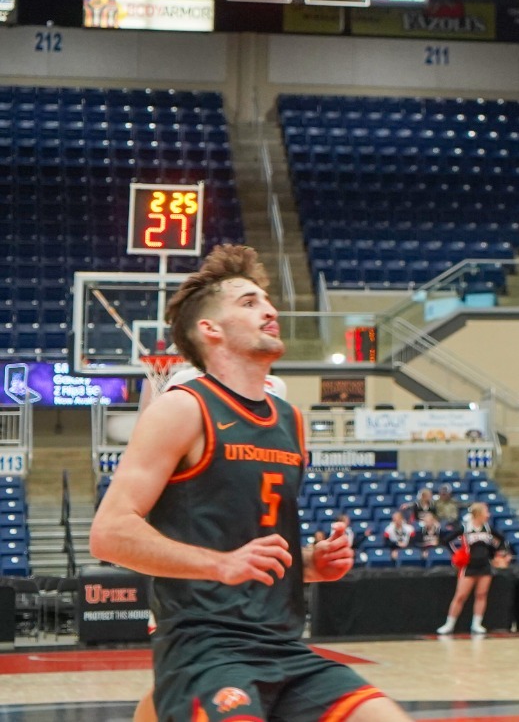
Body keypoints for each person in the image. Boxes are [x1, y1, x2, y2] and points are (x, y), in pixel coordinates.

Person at [89, 246, 415, 722]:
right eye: (248, 302)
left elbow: (244, 541)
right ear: (210, 329)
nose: (269, 309)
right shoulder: (183, 408)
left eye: (266, 300)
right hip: (204, 644)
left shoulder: (291, 421)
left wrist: (307, 564)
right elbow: (110, 534)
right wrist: (221, 566)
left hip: (282, 644)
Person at [438, 502, 503, 635]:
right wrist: (457, 554)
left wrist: (493, 553)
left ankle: (477, 624)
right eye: (486, 512)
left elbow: (501, 540)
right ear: (478, 514)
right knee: (460, 596)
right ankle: (449, 624)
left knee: (481, 595)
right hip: (469, 567)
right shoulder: (465, 528)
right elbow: (446, 540)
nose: (488, 514)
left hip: (485, 566)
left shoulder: (488, 528)